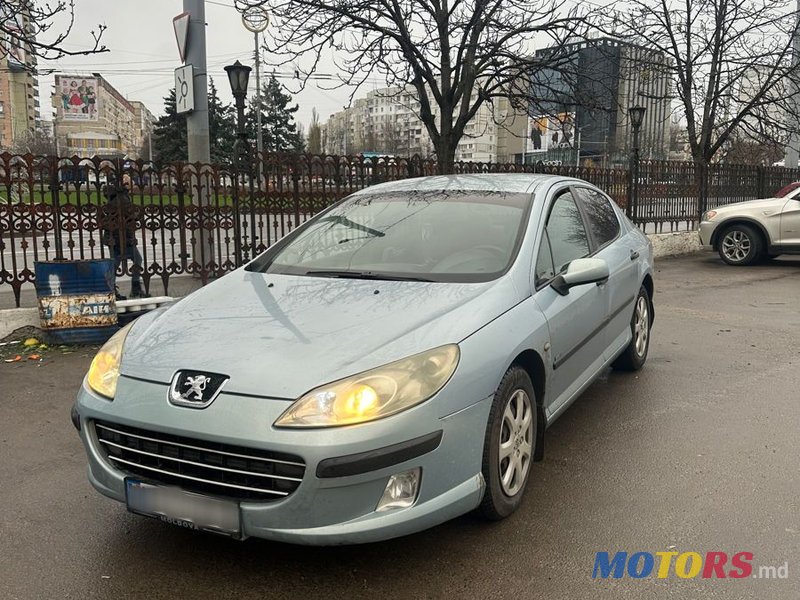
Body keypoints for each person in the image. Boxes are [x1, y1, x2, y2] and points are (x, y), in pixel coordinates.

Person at [103, 176, 146, 299]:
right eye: (131, 183)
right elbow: (129, 214)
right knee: (136, 260)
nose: (133, 185)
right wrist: (139, 214)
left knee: (115, 263)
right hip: (122, 236)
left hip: (115, 236)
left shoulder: (116, 196)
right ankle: (134, 287)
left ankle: (111, 290)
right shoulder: (122, 197)